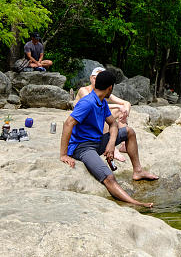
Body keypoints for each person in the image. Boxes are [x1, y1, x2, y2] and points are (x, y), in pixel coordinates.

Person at [60, 69, 158, 207]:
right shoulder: (88, 102)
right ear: (110, 88)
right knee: (109, 177)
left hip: (97, 142)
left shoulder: (102, 102)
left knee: (129, 131)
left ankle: (138, 171)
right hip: (82, 147)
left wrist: (111, 144)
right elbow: (68, 123)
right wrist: (64, 154)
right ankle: (136, 203)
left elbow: (113, 124)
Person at [74, 66, 131, 161]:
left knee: (121, 110)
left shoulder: (105, 91)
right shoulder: (84, 90)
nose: (96, 80)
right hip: (84, 121)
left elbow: (126, 103)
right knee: (103, 115)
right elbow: (94, 105)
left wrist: (125, 113)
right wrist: (117, 106)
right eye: (94, 77)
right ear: (90, 78)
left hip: (96, 118)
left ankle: (124, 143)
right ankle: (112, 147)